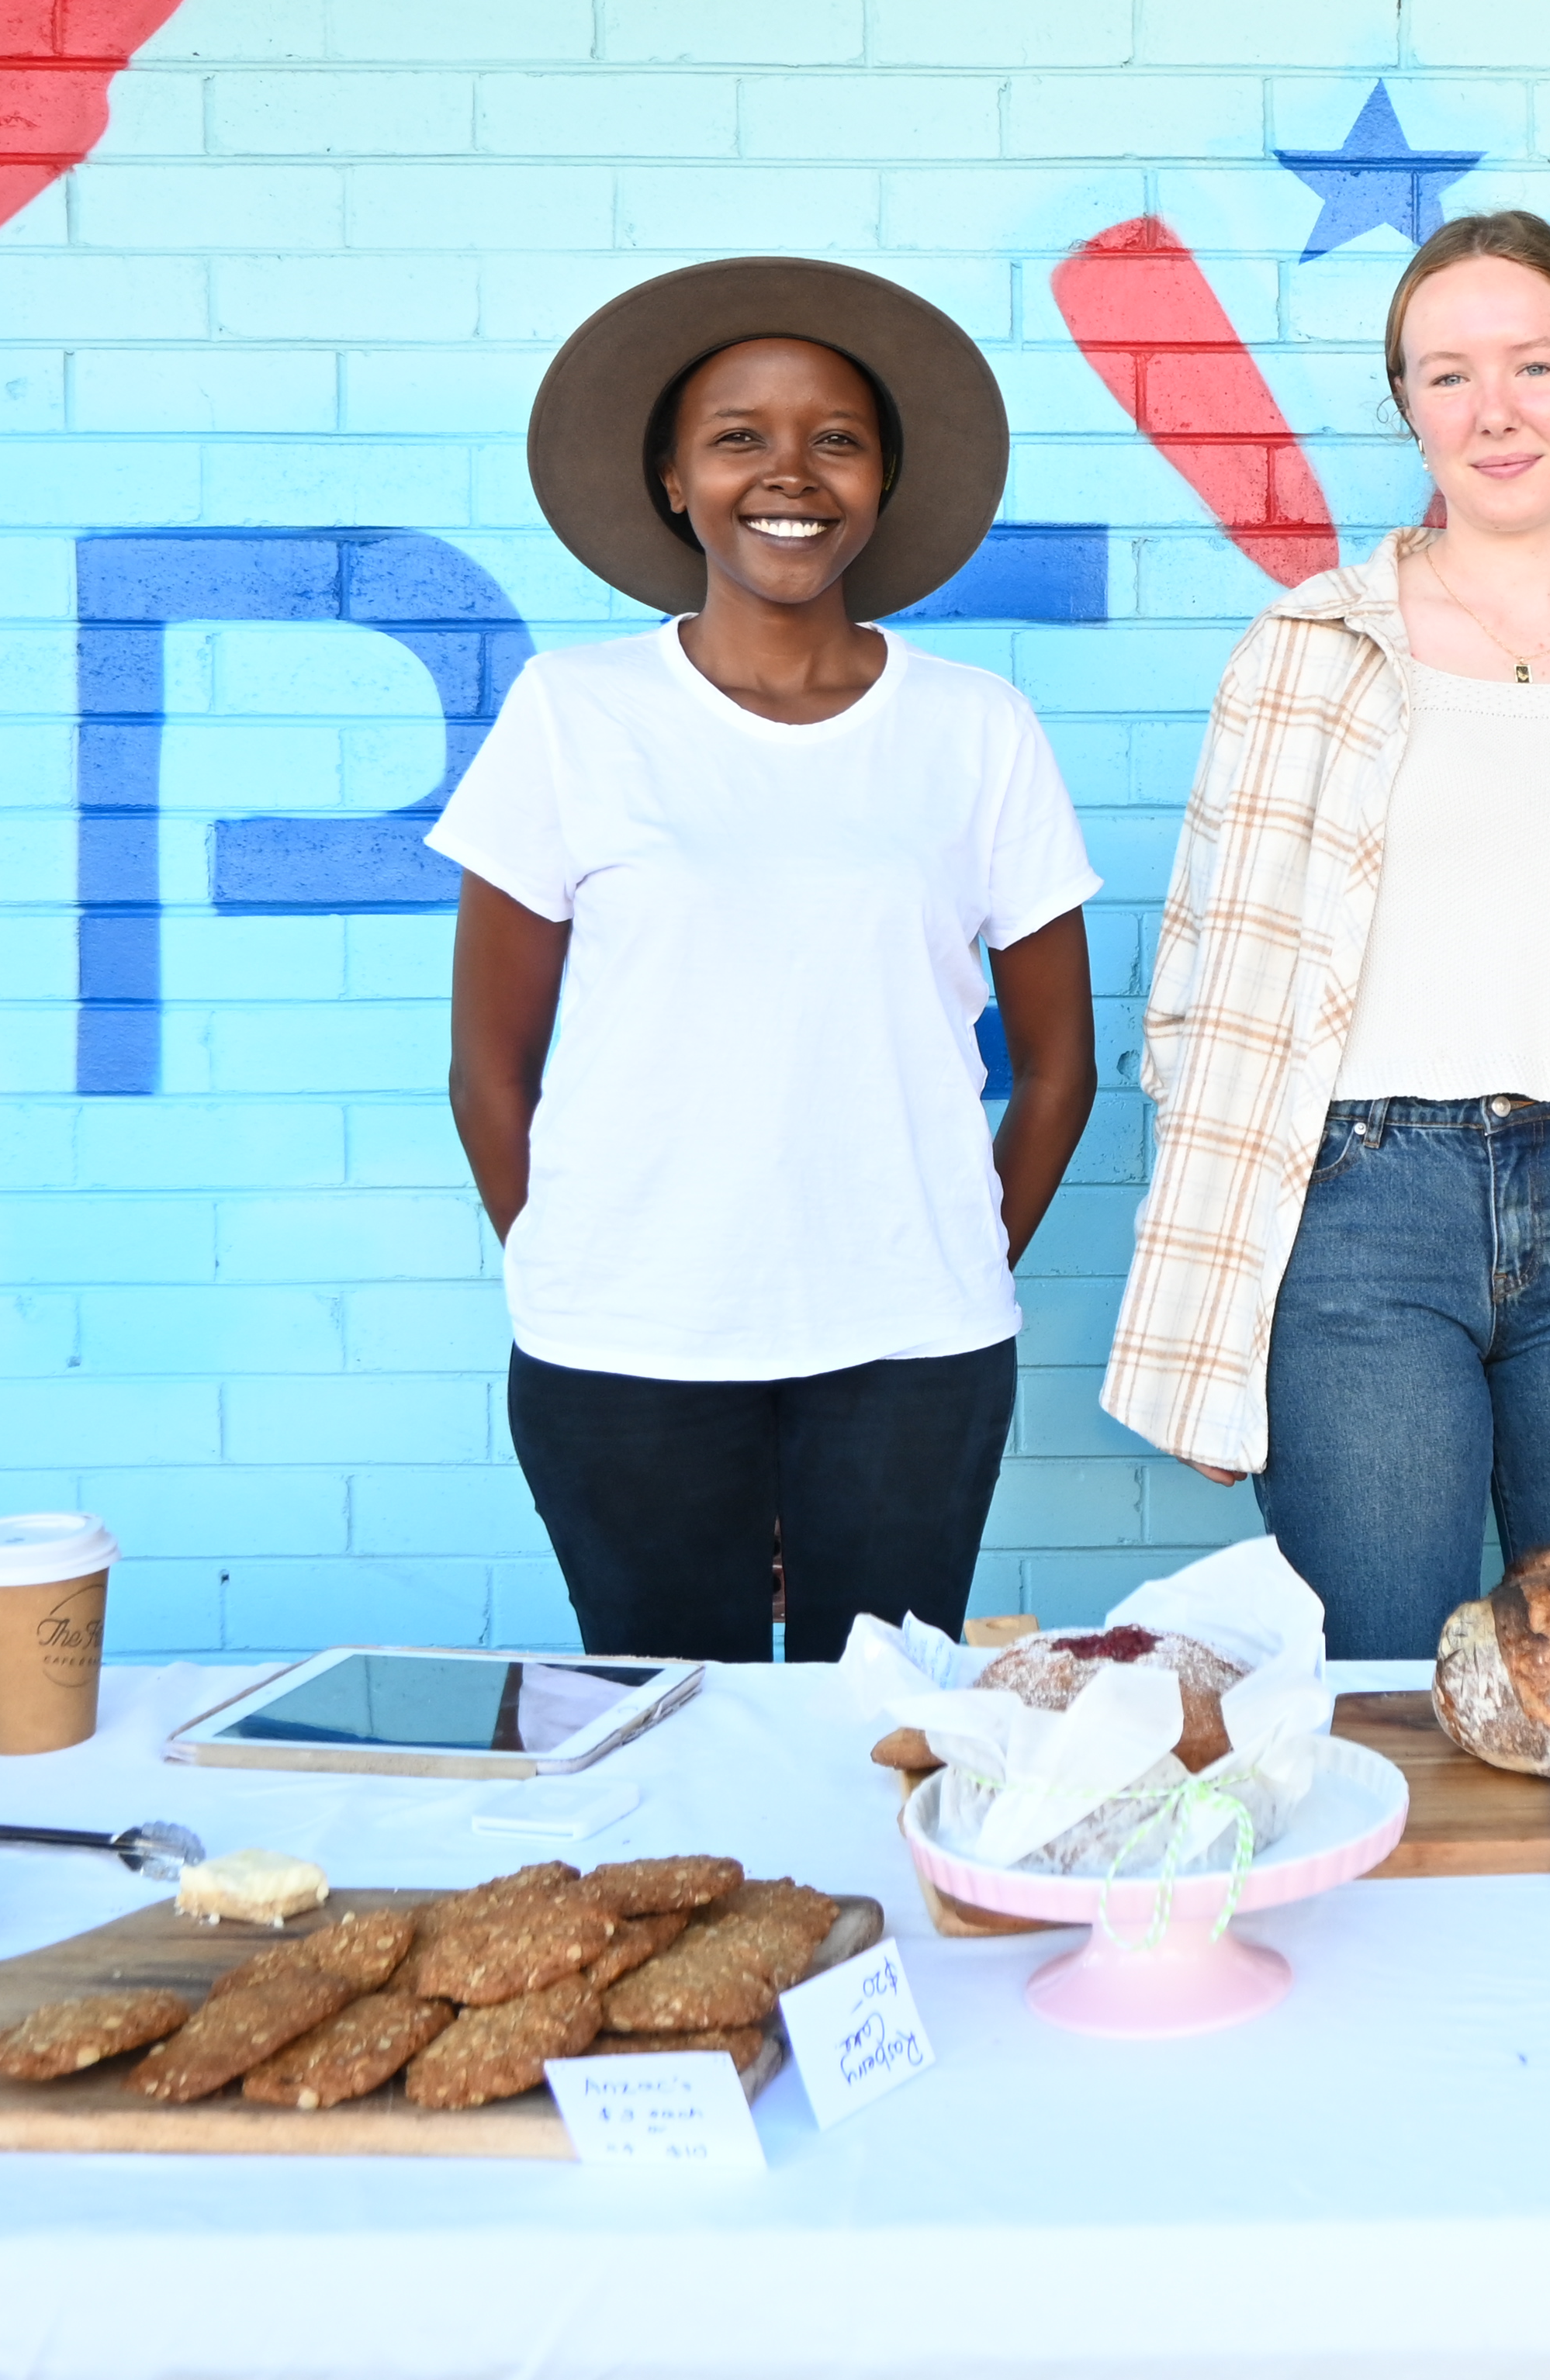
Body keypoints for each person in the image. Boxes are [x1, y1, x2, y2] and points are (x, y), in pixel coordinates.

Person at [1106, 211, 1550, 1661]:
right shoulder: (1305, 651)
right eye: (1447, 376)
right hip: (1363, 1208)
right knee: (1376, 1671)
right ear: (1407, 405)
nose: (1496, 413)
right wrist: (1218, 1299)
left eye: (1535, 366)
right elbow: (1196, 993)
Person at [431, 261, 1098, 1665]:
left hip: (913, 1358)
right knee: (668, 1729)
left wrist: (954, 1262)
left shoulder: (977, 727)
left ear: (881, 481)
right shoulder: (575, 711)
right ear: (674, 479)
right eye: (739, 435)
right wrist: (573, 1270)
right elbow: (489, 1070)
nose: (788, 473)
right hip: (629, 1354)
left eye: (835, 439)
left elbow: (1058, 1071)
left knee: (882, 1737)